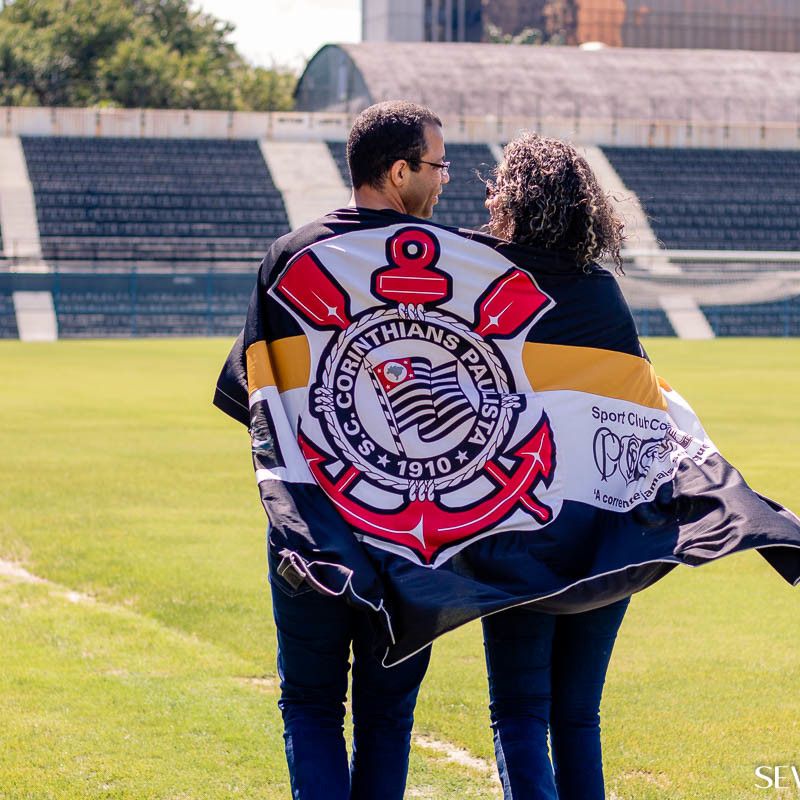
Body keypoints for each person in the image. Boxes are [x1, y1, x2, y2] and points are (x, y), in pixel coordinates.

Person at [215, 101, 449, 800]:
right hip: (412, 537)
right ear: (399, 171)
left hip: (308, 529)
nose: (444, 180)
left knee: (312, 706)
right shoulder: (457, 265)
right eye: (438, 166)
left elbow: (253, 401)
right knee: (388, 716)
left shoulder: (291, 256)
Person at [481, 131, 630, 800]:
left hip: (518, 528)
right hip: (605, 537)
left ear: (511, 199)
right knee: (578, 715)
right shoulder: (603, 294)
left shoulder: (484, 289)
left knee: (520, 711)